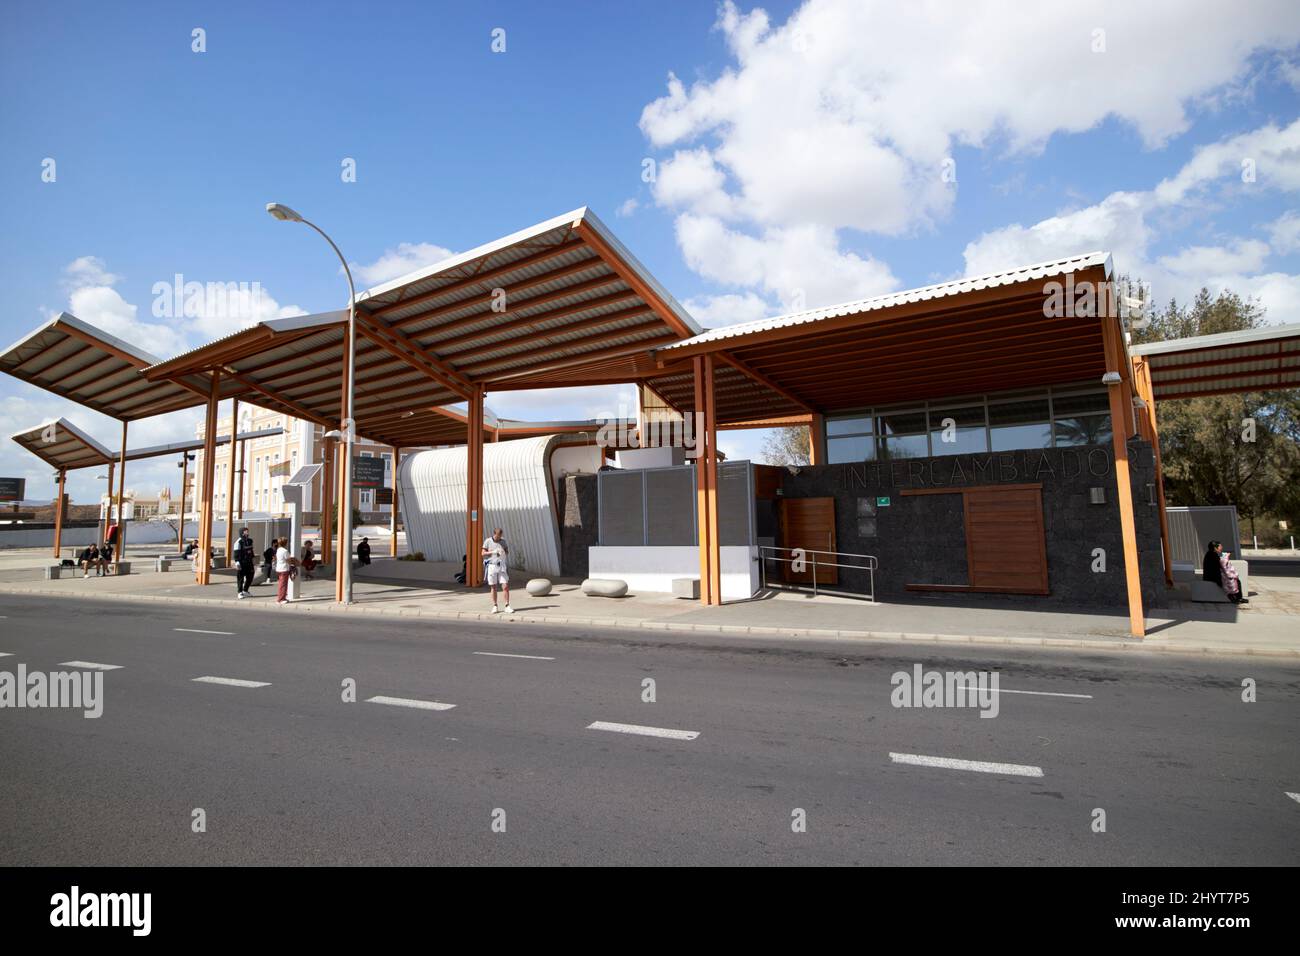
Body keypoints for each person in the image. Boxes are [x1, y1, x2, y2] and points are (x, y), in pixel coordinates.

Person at [1203, 540, 1248, 604]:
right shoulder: (1212, 555)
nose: (1221, 547)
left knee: (1235, 580)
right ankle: (1234, 597)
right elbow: (1218, 568)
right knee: (1234, 580)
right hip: (1212, 577)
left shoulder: (1211, 554)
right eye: (1220, 546)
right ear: (1215, 548)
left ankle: (1237, 597)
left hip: (1214, 575)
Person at [481, 527, 513, 614]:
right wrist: (493, 552)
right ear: (494, 534)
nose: (499, 538)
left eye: (500, 536)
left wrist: (503, 552)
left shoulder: (503, 541)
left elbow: (507, 551)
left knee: (505, 585)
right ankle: (495, 605)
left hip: (501, 565)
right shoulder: (488, 541)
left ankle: (507, 605)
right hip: (492, 565)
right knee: (493, 586)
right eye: (497, 536)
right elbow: (483, 553)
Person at [233, 527, 256, 598]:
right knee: (240, 578)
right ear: (242, 532)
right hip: (241, 562)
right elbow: (236, 553)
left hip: (249, 562)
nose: (247, 532)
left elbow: (251, 551)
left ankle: (245, 590)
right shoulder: (238, 542)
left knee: (251, 575)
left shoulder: (250, 540)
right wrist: (237, 563)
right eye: (246, 531)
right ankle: (240, 592)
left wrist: (253, 559)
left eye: (247, 531)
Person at [274, 536, 298, 605]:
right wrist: (293, 564)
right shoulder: (285, 551)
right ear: (285, 543)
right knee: (283, 585)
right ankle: (281, 599)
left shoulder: (278, 550)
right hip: (284, 569)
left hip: (279, 568)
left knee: (281, 584)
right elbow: (288, 560)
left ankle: (282, 597)